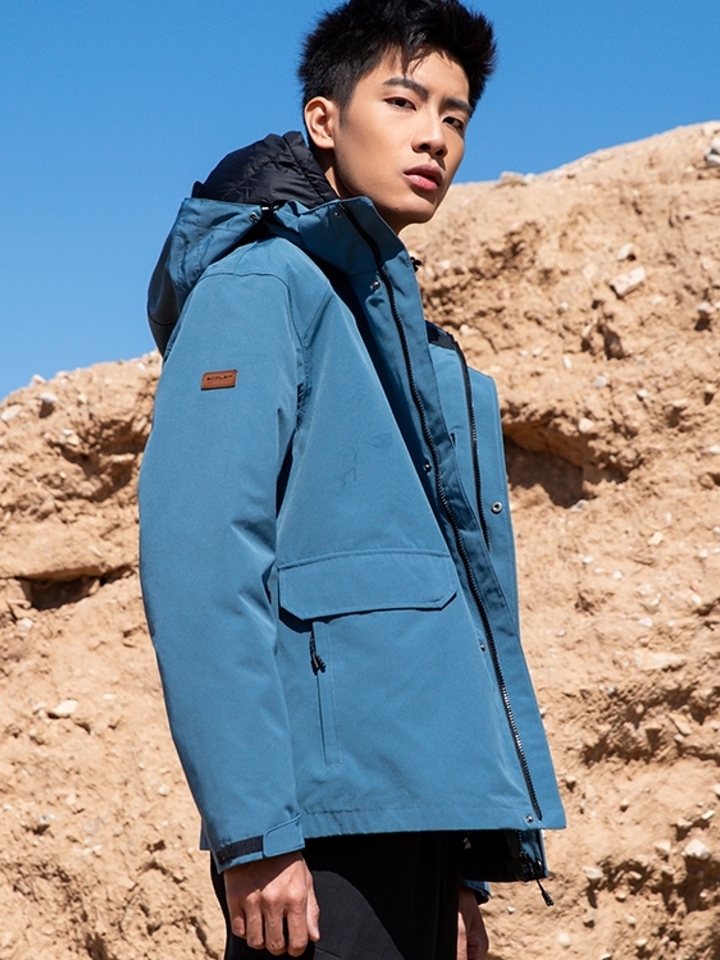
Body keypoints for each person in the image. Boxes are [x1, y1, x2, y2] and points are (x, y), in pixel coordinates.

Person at [139, 1, 566, 957]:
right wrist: (254, 832)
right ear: (324, 121)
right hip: (317, 834)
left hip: (410, 820)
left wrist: (459, 865)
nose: (435, 137)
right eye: (404, 102)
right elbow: (203, 559)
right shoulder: (260, 286)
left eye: (455, 116)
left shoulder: (392, 326)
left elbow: (437, 607)